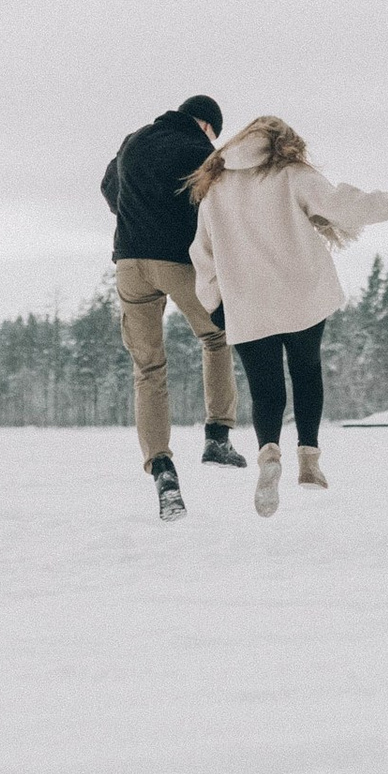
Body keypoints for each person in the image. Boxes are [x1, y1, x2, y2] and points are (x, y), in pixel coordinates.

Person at [186, 118, 388, 517]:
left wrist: (214, 303)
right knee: (306, 371)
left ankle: (268, 455)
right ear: (281, 142)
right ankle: (309, 458)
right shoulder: (293, 174)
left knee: (265, 390)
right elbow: (345, 205)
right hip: (302, 296)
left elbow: (202, 254)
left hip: (247, 303)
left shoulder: (216, 187)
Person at [102, 94, 245, 521]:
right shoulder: (199, 150)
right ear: (206, 125)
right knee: (217, 337)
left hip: (129, 262)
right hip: (177, 261)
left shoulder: (132, 140)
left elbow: (110, 187)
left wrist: (135, 217)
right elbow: (221, 204)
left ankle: (162, 468)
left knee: (148, 369)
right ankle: (217, 434)